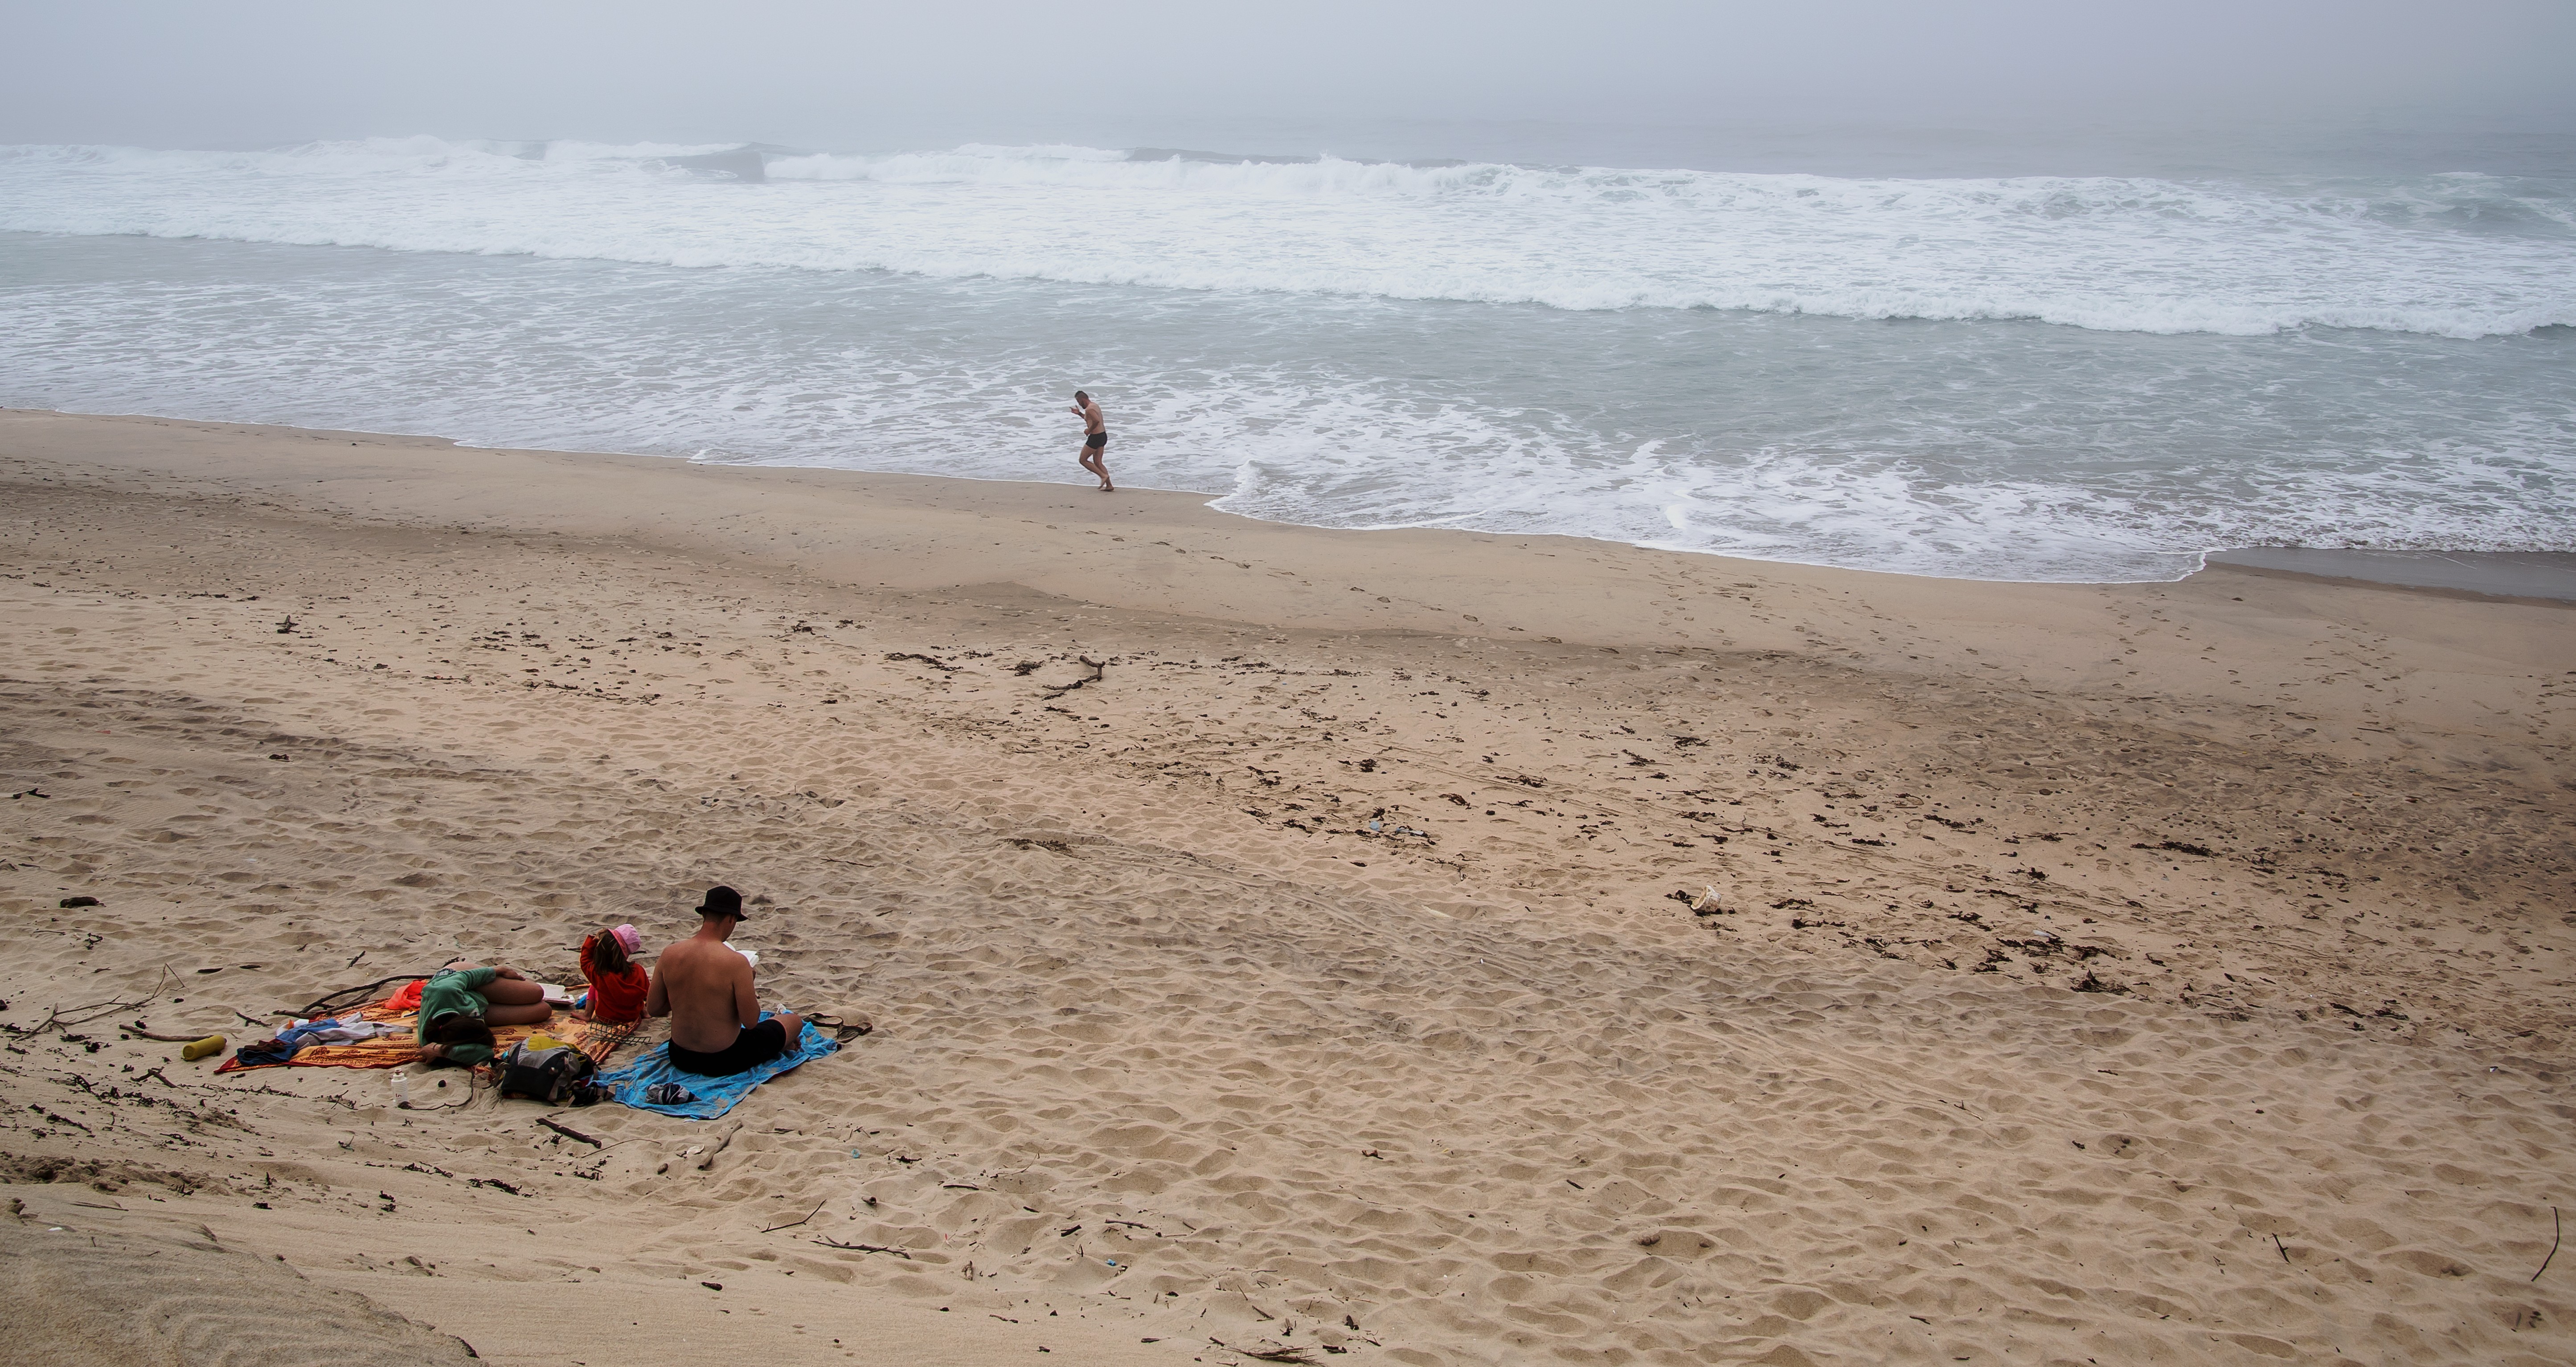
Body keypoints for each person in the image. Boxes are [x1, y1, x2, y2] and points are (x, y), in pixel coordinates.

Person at [647, 885, 803, 1076]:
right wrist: (748, 984)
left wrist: (685, 995)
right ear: (731, 919)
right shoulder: (736, 962)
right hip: (724, 1059)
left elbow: (654, 1009)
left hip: (680, 1055)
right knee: (794, 1021)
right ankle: (780, 1045)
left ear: (704, 914)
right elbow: (751, 1021)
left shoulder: (669, 954)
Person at [414, 962, 552, 1065]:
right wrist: (442, 1050)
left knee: (536, 993)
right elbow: (485, 1052)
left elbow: (467, 978)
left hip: (461, 980)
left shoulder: (443, 992)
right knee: (544, 1010)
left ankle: (502, 985)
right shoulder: (432, 1042)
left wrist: (496, 971)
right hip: (476, 1005)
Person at [580, 923, 650, 1024]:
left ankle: (587, 1015)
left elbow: (585, 961)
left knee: (594, 986)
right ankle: (645, 1013)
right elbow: (649, 992)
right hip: (632, 1017)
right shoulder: (639, 971)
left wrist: (591, 943)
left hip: (606, 1018)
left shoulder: (599, 974)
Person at [1069, 389, 1113, 492]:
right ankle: (1109, 485)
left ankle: (1103, 476)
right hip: (1102, 436)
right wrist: (1079, 414)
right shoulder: (1094, 406)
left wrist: (1089, 430)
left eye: (1079, 402)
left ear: (1083, 399)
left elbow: (1096, 421)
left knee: (1083, 460)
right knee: (1098, 462)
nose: (1079, 404)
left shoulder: (1089, 409)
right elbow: (1090, 419)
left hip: (1096, 438)